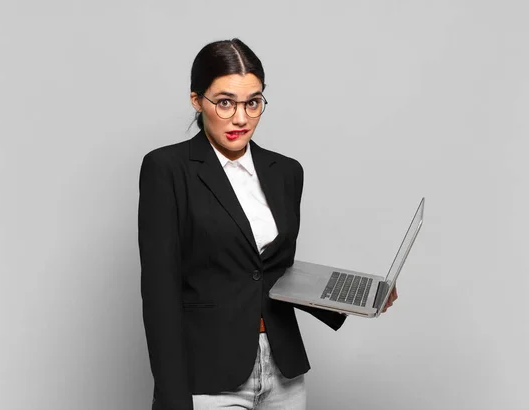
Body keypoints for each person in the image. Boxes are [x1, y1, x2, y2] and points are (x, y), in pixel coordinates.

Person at [138, 38, 398, 410]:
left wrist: (355, 296)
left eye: (253, 102)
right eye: (225, 102)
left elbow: (272, 273)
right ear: (197, 100)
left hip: (283, 372)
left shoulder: (286, 172)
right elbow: (159, 296)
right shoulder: (167, 170)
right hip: (209, 375)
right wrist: (173, 398)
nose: (241, 118)